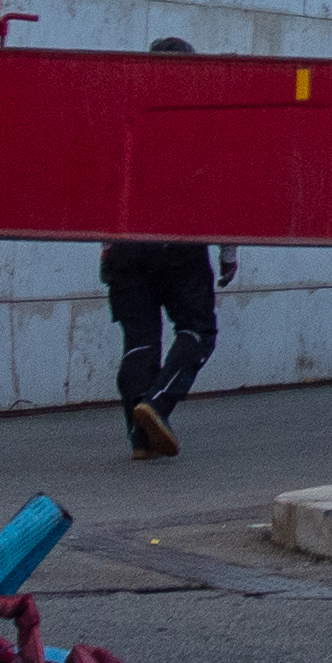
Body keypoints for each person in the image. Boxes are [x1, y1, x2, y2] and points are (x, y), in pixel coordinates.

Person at [105, 36, 237, 458]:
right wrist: (228, 251)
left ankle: (141, 438)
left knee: (140, 342)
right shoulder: (199, 120)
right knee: (198, 331)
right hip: (181, 246)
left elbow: (108, 184)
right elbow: (220, 187)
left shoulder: (128, 116)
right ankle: (157, 404)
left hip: (127, 249)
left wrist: (107, 247)